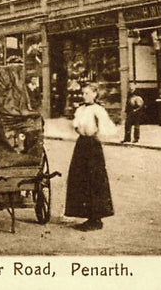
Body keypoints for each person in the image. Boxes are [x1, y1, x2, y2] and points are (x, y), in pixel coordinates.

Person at [65, 82, 115, 231]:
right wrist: (79, 130)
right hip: (81, 144)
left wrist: (95, 134)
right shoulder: (80, 109)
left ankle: (96, 218)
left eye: (87, 93)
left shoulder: (98, 110)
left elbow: (107, 128)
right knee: (80, 177)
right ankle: (87, 215)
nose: (84, 96)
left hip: (93, 146)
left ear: (94, 94)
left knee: (94, 179)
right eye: (83, 93)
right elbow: (75, 125)